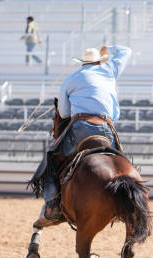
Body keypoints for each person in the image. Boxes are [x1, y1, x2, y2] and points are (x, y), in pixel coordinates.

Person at [29, 44, 132, 223]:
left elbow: (63, 113)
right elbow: (126, 51)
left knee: (52, 158)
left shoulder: (72, 78)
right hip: (107, 128)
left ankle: (52, 204)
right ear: (99, 61)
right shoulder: (109, 69)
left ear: (82, 63)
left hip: (81, 127)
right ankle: (127, 204)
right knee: (121, 162)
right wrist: (108, 47)